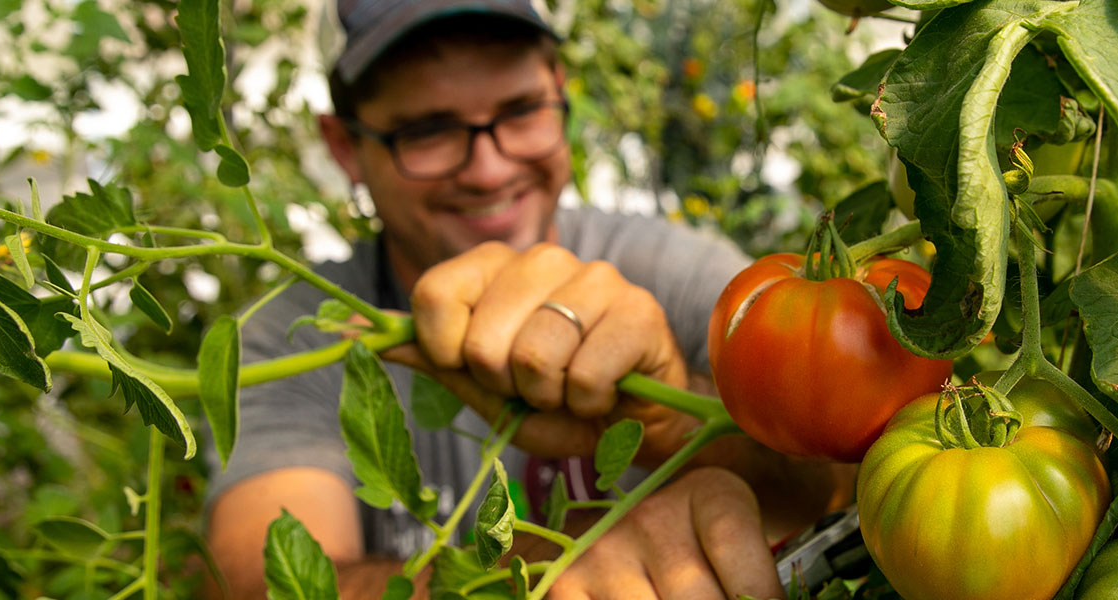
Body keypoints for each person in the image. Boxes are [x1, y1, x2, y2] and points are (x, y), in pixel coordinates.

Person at [203, 1, 855, 598]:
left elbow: (840, 477)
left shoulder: (678, 275)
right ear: (346, 146)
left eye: (519, 111)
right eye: (428, 130)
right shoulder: (293, 335)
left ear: (559, 97)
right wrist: (532, 577)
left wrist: (674, 424)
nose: (489, 170)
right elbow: (259, 582)